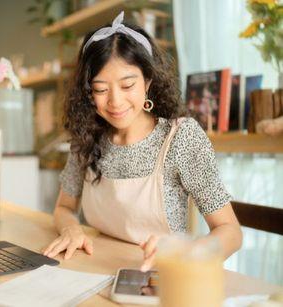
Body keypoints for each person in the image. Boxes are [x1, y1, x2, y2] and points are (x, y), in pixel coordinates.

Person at [42, 12, 242, 271]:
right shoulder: (87, 137)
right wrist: (71, 229)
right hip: (96, 269)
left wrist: (187, 252)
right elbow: (64, 207)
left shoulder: (181, 137)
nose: (115, 101)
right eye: (101, 89)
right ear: (88, 92)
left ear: (148, 81)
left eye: (127, 86)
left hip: (164, 277)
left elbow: (230, 231)